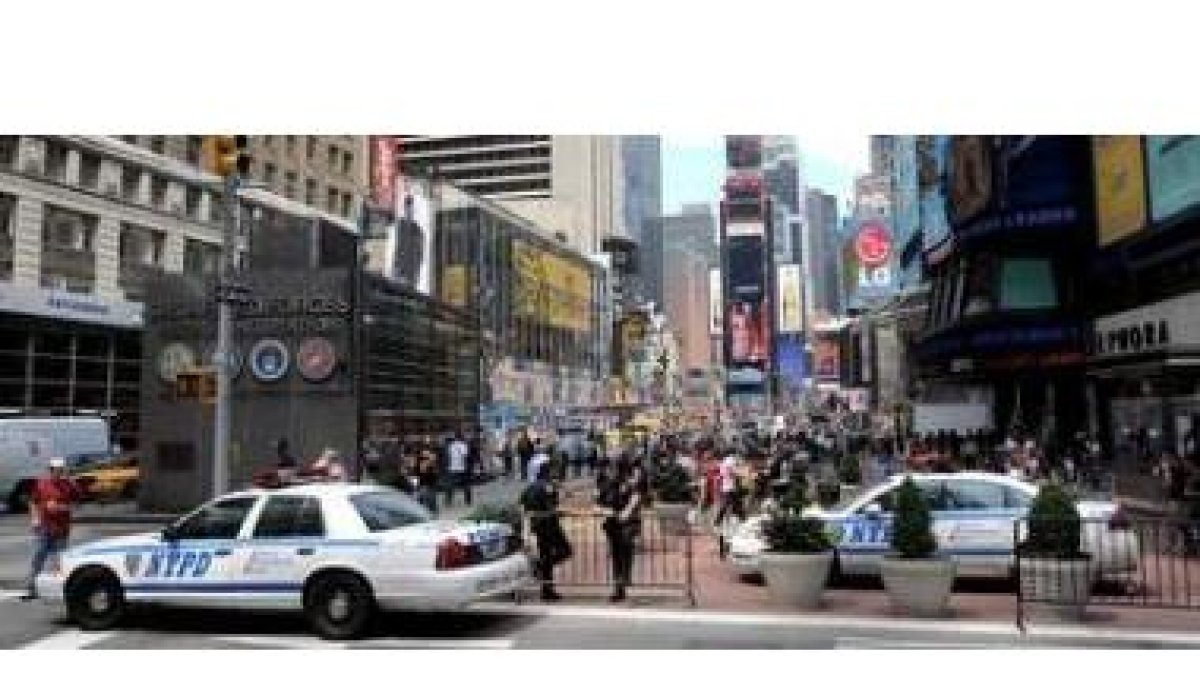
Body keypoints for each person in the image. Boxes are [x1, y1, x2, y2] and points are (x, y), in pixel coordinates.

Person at [22, 458, 82, 600]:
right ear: (50, 470)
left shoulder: (69, 485)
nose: (58, 472)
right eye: (55, 469)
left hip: (61, 528)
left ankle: (55, 589)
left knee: (59, 560)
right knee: (38, 556)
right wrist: (34, 518)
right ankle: (32, 588)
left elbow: (78, 504)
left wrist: (62, 508)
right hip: (44, 526)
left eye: (61, 469)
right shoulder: (42, 483)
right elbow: (33, 501)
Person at [520, 463, 571, 601]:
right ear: (548, 474)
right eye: (554, 475)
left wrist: (526, 530)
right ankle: (539, 569)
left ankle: (547, 591)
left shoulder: (529, 488)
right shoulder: (547, 488)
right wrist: (557, 511)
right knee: (565, 551)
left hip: (538, 528)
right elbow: (550, 509)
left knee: (546, 556)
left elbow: (524, 510)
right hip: (550, 527)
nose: (557, 478)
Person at [599, 459, 643, 602]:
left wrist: (627, 511)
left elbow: (636, 497)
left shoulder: (628, 484)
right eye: (609, 469)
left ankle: (623, 581)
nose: (610, 472)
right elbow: (598, 504)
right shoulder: (606, 486)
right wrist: (605, 511)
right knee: (617, 557)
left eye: (613, 469)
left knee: (626, 552)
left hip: (627, 526)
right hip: (612, 526)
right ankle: (619, 588)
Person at [445, 432, 473, 507]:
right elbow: (466, 456)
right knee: (466, 485)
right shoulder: (464, 445)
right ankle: (468, 502)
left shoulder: (450, 446)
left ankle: (448, 502)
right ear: (462, 437)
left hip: (452, 468)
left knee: (450, 486)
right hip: (462, 467)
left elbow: (448, 456)